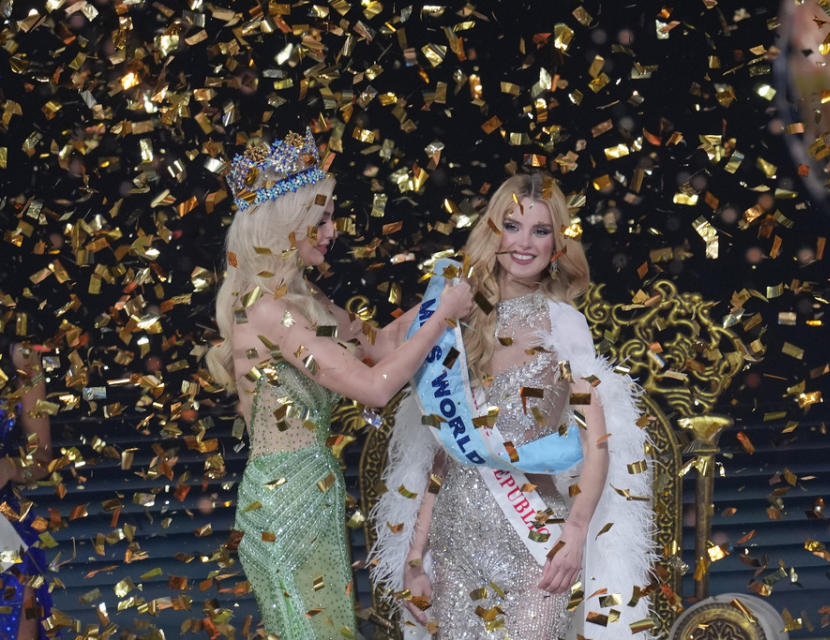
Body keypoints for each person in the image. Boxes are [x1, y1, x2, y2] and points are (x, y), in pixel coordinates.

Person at [206, 130, 473, 639]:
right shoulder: (267, 310)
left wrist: (449, 293)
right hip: (284, 502)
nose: (332, 230)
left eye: (331, 217)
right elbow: (373, 387)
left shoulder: (305, 300)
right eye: (320, 218)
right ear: (285, 223)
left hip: (311, 491)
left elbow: (382, 343)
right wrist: (444, 318)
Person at [370, 173, 656, 639]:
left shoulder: (564, 323)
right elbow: (446, 446)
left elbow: (596, 440)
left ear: (557, 243)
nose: (525, 243)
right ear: (492, 232)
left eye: (541, 231)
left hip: (534, 543)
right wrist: (415, 556)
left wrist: (576, 533)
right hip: (453, 543)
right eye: (512, 226)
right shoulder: (457, 314)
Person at [0, 338, 59, 640]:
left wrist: (10, 468)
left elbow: (42, 460)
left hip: (1, 523)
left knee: (21, 592)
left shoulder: (22, 358)